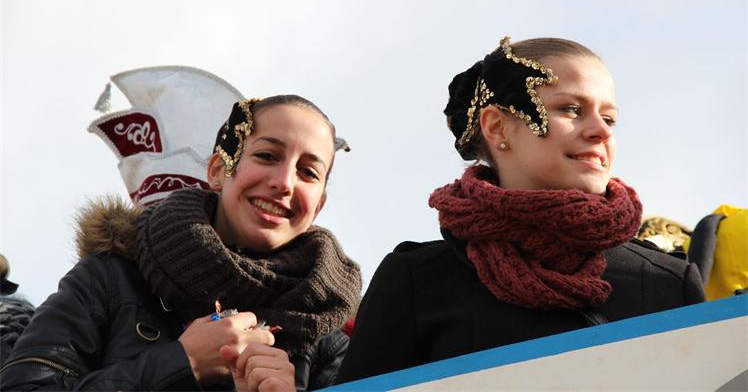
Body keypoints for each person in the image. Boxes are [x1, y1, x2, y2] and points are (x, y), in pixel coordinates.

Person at [335, 36, 706, 383]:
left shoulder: (668, 282)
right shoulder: (416, 282)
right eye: (571, 109)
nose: (601, 131)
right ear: (497, 128)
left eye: (609, 118)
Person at [0, 95, 362, 391]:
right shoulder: (109, 279)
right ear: (218, 170)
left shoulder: (328, 340)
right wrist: (183, 363)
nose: (284, 182)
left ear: (318, 205)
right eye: (267, 156)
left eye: (308, 172)